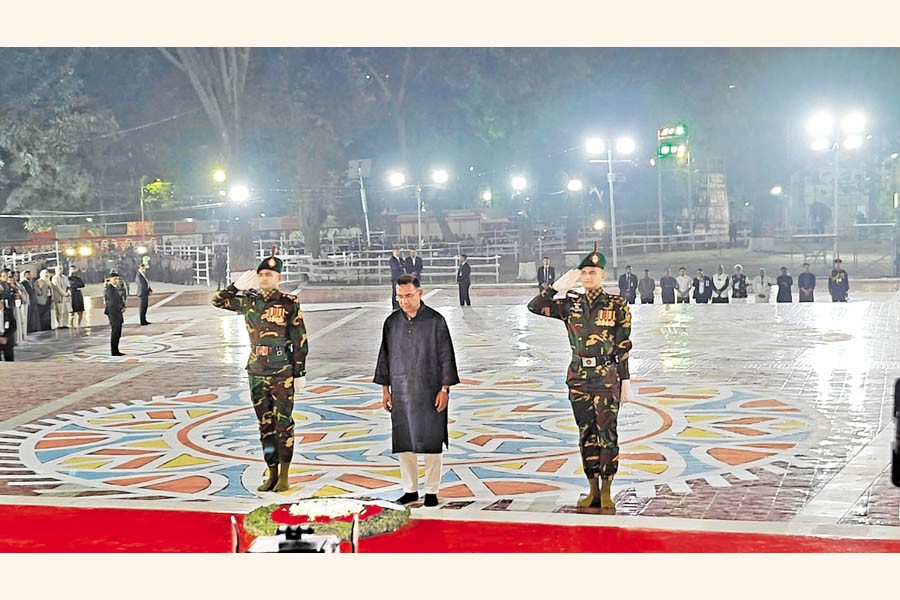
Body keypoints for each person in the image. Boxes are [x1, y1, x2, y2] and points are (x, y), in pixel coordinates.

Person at [527, 245, 633, 510]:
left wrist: (626, 380)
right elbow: (535, 306)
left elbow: (623, 345)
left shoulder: (617, 304)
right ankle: (592, 490)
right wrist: (554, 288)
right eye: (584, 273)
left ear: (603, 276)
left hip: (607, 378)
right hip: (579, 378)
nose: (588, 277)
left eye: (593, 272)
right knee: (586, 434)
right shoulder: (570, 304)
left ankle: (607, 489)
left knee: (607, 434)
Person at [212, 249, 309, 493]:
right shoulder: (249, 300)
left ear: (279, 277)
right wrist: (234, 287)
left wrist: (299, 372)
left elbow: (299, 339)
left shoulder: (289, 303)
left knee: (283, 424)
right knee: (264, 425)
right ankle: (272, 472)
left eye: (269, 274)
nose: (265, 278)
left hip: (281, 371)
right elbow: (217, 301)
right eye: (261, 274)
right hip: (256, 370)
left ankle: (285, 474)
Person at [374, 274, 459, 508]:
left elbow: (446, 356)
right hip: (401, 391)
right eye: (399, 297)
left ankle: (431, 491)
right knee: (405, 441)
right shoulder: (391, 323)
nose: (404, 301)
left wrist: (445, 389)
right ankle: (410, 490)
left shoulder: (435, 321)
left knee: (432, 441)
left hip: (430, 390)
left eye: (408, 296)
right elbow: (385, 358)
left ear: (420, 293)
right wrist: (385, 390)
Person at [104, 271, 126, 356]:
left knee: (118, 332)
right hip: (114, 313)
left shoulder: (115, 288)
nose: (117, 280)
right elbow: (112, 303)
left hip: (117, 313)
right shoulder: (110, 289)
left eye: (117, 279)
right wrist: (120, 308)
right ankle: (114, 351)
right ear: (110, 279)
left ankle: (116, 350)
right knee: (115, 332)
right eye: (115, 279)